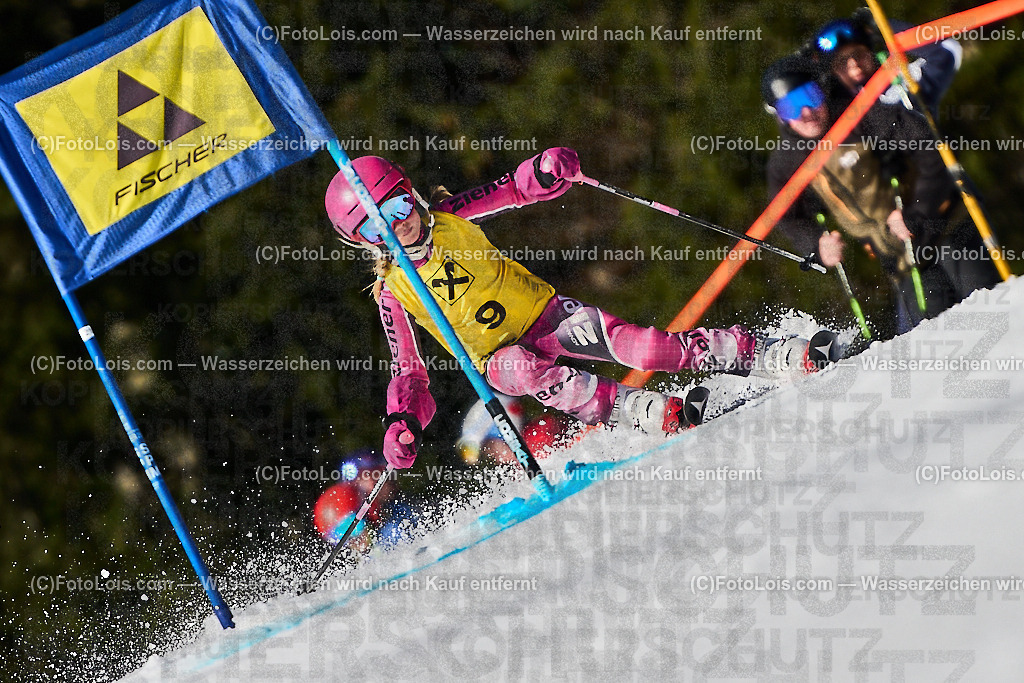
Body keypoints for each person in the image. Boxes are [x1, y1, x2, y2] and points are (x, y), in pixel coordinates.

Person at [325, 149, 834, 470]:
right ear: (361, 241)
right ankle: (632, 410)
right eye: (377, 226)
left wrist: (544, 172)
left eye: (398, 208)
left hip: (545, 315)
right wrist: (402, 422)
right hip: (497, 358)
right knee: (523, 370)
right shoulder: (393, 291)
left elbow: (512, 190)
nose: (398, 226)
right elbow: (409, 372)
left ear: (411, 196)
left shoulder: (451, 215)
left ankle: (758, 353)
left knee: (646, 346)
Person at [762, 54, 999, 335]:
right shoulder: (788, 162)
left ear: (821, 91)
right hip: (903, 261)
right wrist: (817, 245)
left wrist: (916, 212)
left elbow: (931, 151)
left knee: (990, 310)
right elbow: (786, 216)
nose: (805, 112)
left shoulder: (863, 116)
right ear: (779, 115)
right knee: (936, 337)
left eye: (809, 97)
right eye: (791, 107)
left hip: (947, 229)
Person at [810, 12, 961, 117]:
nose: (854, 64)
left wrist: (885, 28)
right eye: (842, 62)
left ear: (871, 52)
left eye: (858, 54)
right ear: (834, 72)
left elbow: (947, 50)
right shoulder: (838, 113)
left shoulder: (904, 81)